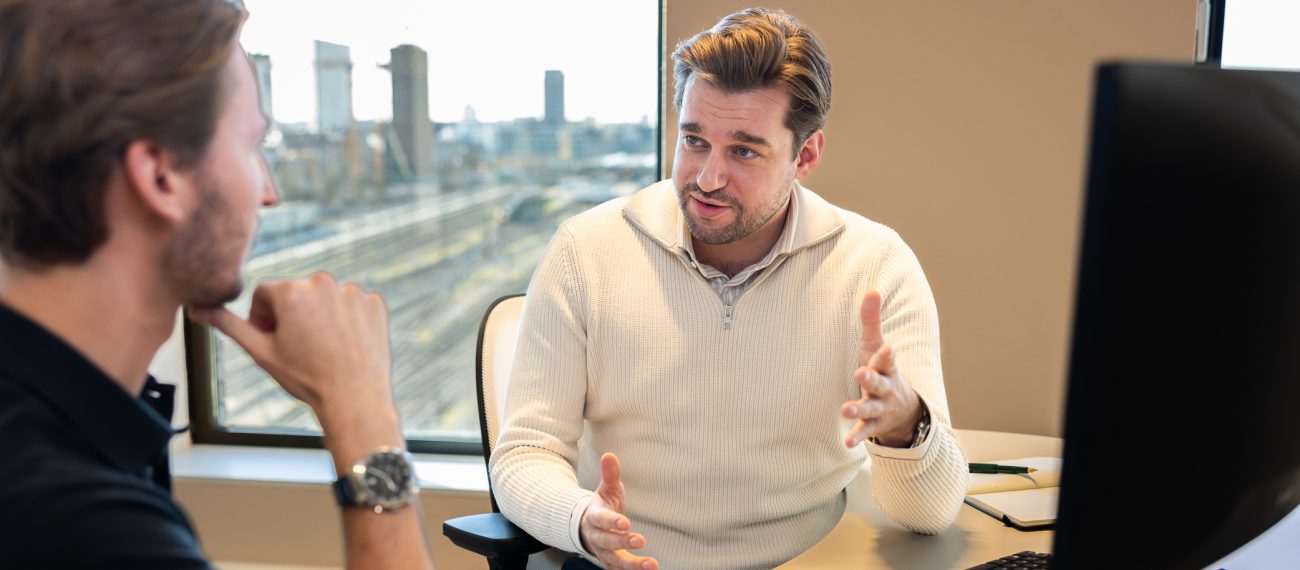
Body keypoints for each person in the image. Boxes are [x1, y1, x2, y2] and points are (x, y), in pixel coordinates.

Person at [490, 8, 969, 569]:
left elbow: (930, 513)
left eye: (743, 151)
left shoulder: (876, 267)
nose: (707, 178)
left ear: (805, 155)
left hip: (803, 563)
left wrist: (906, 425)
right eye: (694, 140)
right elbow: (524, 454)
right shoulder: (586, 251)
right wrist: (580, 519)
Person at [0, 1, 434, 568]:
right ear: (161, 178)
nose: (269, 193)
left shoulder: (55, 438)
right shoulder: (82, 522)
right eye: (251, 147)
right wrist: (362, 408)